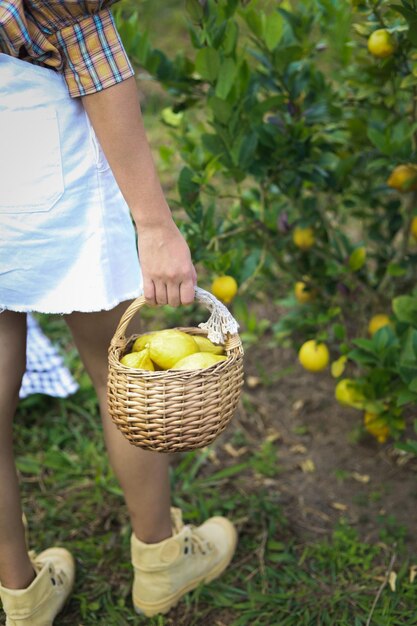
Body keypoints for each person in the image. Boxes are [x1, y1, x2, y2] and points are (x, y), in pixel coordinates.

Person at [0, 1, 237, 623]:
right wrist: (155, 224)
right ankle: (162, 560)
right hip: (25, 140)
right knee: (118, 368)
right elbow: (89, 47)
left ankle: (20, 594)